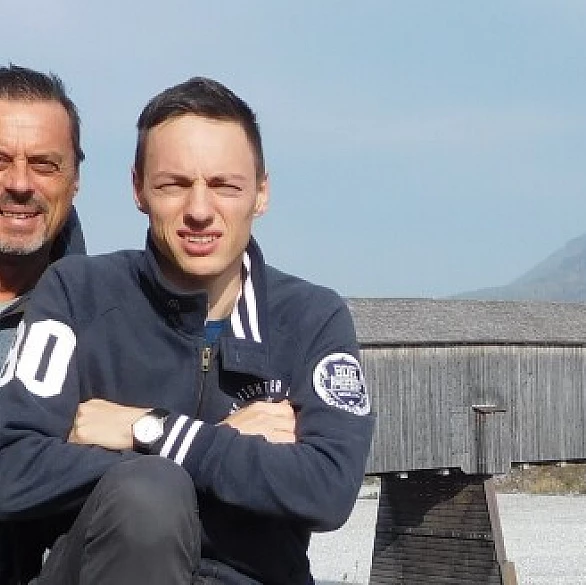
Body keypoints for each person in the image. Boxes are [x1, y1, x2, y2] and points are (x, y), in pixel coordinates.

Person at [0, 77, 375, 584]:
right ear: (138, 189)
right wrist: (206, 459)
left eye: (225, 185)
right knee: (147, 497)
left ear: (261, 192)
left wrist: (150, 432)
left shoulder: (310, 318)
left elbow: (327, 491)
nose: (200, 211)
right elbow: (11, 465)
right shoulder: (79, 293)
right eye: (174, 184)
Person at [0, 64, 86, 585]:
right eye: (0, 161)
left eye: (45, 164)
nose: (19, 184)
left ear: (75, 178)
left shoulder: (113, 320)